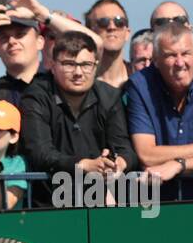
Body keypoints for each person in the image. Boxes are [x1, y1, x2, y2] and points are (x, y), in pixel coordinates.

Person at [125, 22, 193, 201]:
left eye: (186, 54)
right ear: (155, 61)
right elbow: (147, 154)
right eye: (170, 55)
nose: (179, 63)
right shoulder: (140, 85)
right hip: (155, 202)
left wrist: (178, 165)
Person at [19, 31, 135, 190]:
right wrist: (82, 165)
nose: (78, 73)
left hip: (100, 197)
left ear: (96, 66)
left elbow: (125, 148)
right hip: (49, 200)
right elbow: (40, 153)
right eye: (69, 64)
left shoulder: (110, 96)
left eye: (86, 65)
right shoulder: (35, 96)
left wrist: (118, 164)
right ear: (53, 66)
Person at [0, 0, 101, 115]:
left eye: (20, 35)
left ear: (40, 42)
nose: (12, 41)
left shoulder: (60, 81)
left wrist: (41, 14)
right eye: (4, 38)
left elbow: (95, 44)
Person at [85, 0, 131, 89]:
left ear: (127, 33)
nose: (112, 27)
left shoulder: (140, 80)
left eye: (119, 22)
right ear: (90, 32)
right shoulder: (82, 81)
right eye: (103, 22)